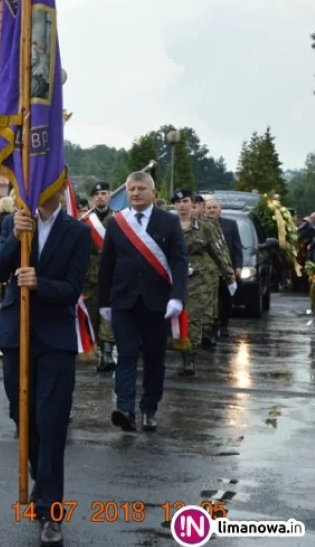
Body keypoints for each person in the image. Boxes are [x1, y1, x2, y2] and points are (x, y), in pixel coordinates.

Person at [0, 184, 90, 547]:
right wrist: (14, 237)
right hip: (16, 335)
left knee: (51, 422)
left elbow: (72, 288)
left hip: (55, 339)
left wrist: (40, 283)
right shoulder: (14, 223)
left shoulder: (77, 232)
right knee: (24, 419)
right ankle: (42, 477)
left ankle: (51, 512)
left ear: (58, 190)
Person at [98, 172, 188, 432]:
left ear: (153, 192)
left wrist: (177, 297)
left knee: (153, 359)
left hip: (157, 303)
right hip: (124, 302)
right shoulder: (117, 223)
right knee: (125, 355)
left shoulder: (168, 222)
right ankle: (125, 409)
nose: (135, 193)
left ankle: (149, 408)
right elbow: (107, 265)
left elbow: (180, 262)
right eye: (131, 189)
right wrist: (104, 300)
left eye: (141, 189)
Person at [171, 190, 235, 374]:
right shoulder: (168, 225)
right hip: (174, 278)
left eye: (185, 201)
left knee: (193, 319)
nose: (181, 205)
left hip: (198, 280)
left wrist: (229, 275)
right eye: (178, 202)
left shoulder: (205, 227)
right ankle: (176, 351)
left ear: (192, 203)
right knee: (174, 317)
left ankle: (189, 359)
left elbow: (218, 251)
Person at [80, 181, 117, 372]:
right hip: (90, 275)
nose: (100, 197)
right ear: (92, 198)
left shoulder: (119, 219)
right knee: (92, 315)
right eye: (97, 194)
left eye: (104, 193)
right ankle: (95, 349)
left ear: (109, 196)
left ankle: (107, 353)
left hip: (112, 274)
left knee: (108, 315)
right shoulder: (86, 221)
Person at [205, 197, 242, 338]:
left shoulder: (231, 225)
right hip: (207, 270)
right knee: (210, 299)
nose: (212, 210)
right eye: (209, 208)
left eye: (214, 207)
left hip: (225, 269)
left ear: (220, 209)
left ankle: (224, 324)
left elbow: (237, 247)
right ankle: (211, 327)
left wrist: (238, 266)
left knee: (225, 298)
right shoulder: (200, 225)